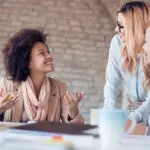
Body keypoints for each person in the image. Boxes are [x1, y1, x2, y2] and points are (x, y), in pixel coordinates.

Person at [0, 28, 84, 123]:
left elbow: (76, 129)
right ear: (27, 62)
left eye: (48, 52)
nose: (49, 56)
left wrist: (73, 112)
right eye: (42, 53)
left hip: (48, 138)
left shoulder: (59, 87)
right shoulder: (6, 85)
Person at [104, 1, 150, 110]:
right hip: (132, 107)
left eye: (121, 26)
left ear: (135, 27)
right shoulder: (117, 43)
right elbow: (111, 84)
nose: (116, 30)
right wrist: (107, 115)